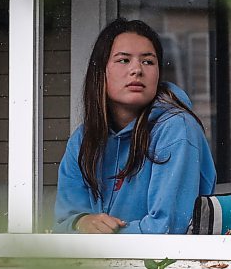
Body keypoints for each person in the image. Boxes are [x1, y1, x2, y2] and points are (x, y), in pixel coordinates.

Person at [53, 18, 216, 234]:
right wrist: (81, 222)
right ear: (101, 71)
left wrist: (101, 238)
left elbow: (169, 229)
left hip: (165, 265)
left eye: (148, 61)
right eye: (123, 60)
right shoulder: (83, 139)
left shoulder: (177, 129)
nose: (137, 70)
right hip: (94, 266)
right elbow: (62, 224)